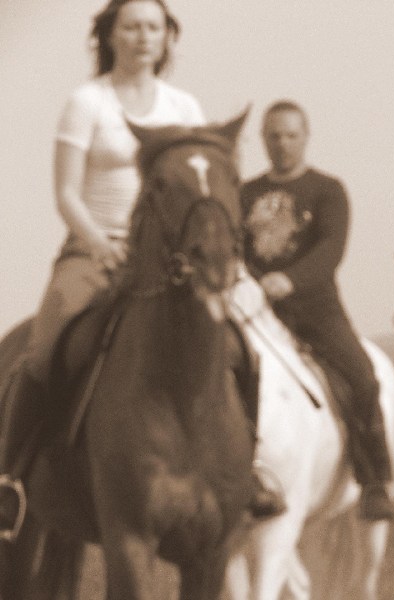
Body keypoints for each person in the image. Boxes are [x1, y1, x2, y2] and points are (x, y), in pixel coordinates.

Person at [0, 0, 279, 542]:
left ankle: (248, 470)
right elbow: (66, 193)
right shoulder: (88, 102)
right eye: (131, 26)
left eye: (153, 27)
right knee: (45, 345)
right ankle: (11, 478)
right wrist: (97, 243)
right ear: (111, 35)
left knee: (241, 347)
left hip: (168, 259)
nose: (142, 37)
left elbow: (199, 187)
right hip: (93, 250)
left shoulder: (183, 105)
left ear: (168, 36)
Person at [240, 100, 394, 521]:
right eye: (274, 135)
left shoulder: (328, 190)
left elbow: (331, 249)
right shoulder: (245, 194)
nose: (282, 143)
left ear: (306, 137)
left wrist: (289, 279)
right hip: (255, 309)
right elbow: (236, 249)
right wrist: (251, 283)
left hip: (315, 308)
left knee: (362, 377)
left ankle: (375, 482)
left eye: (291, 135)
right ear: (263, 139)